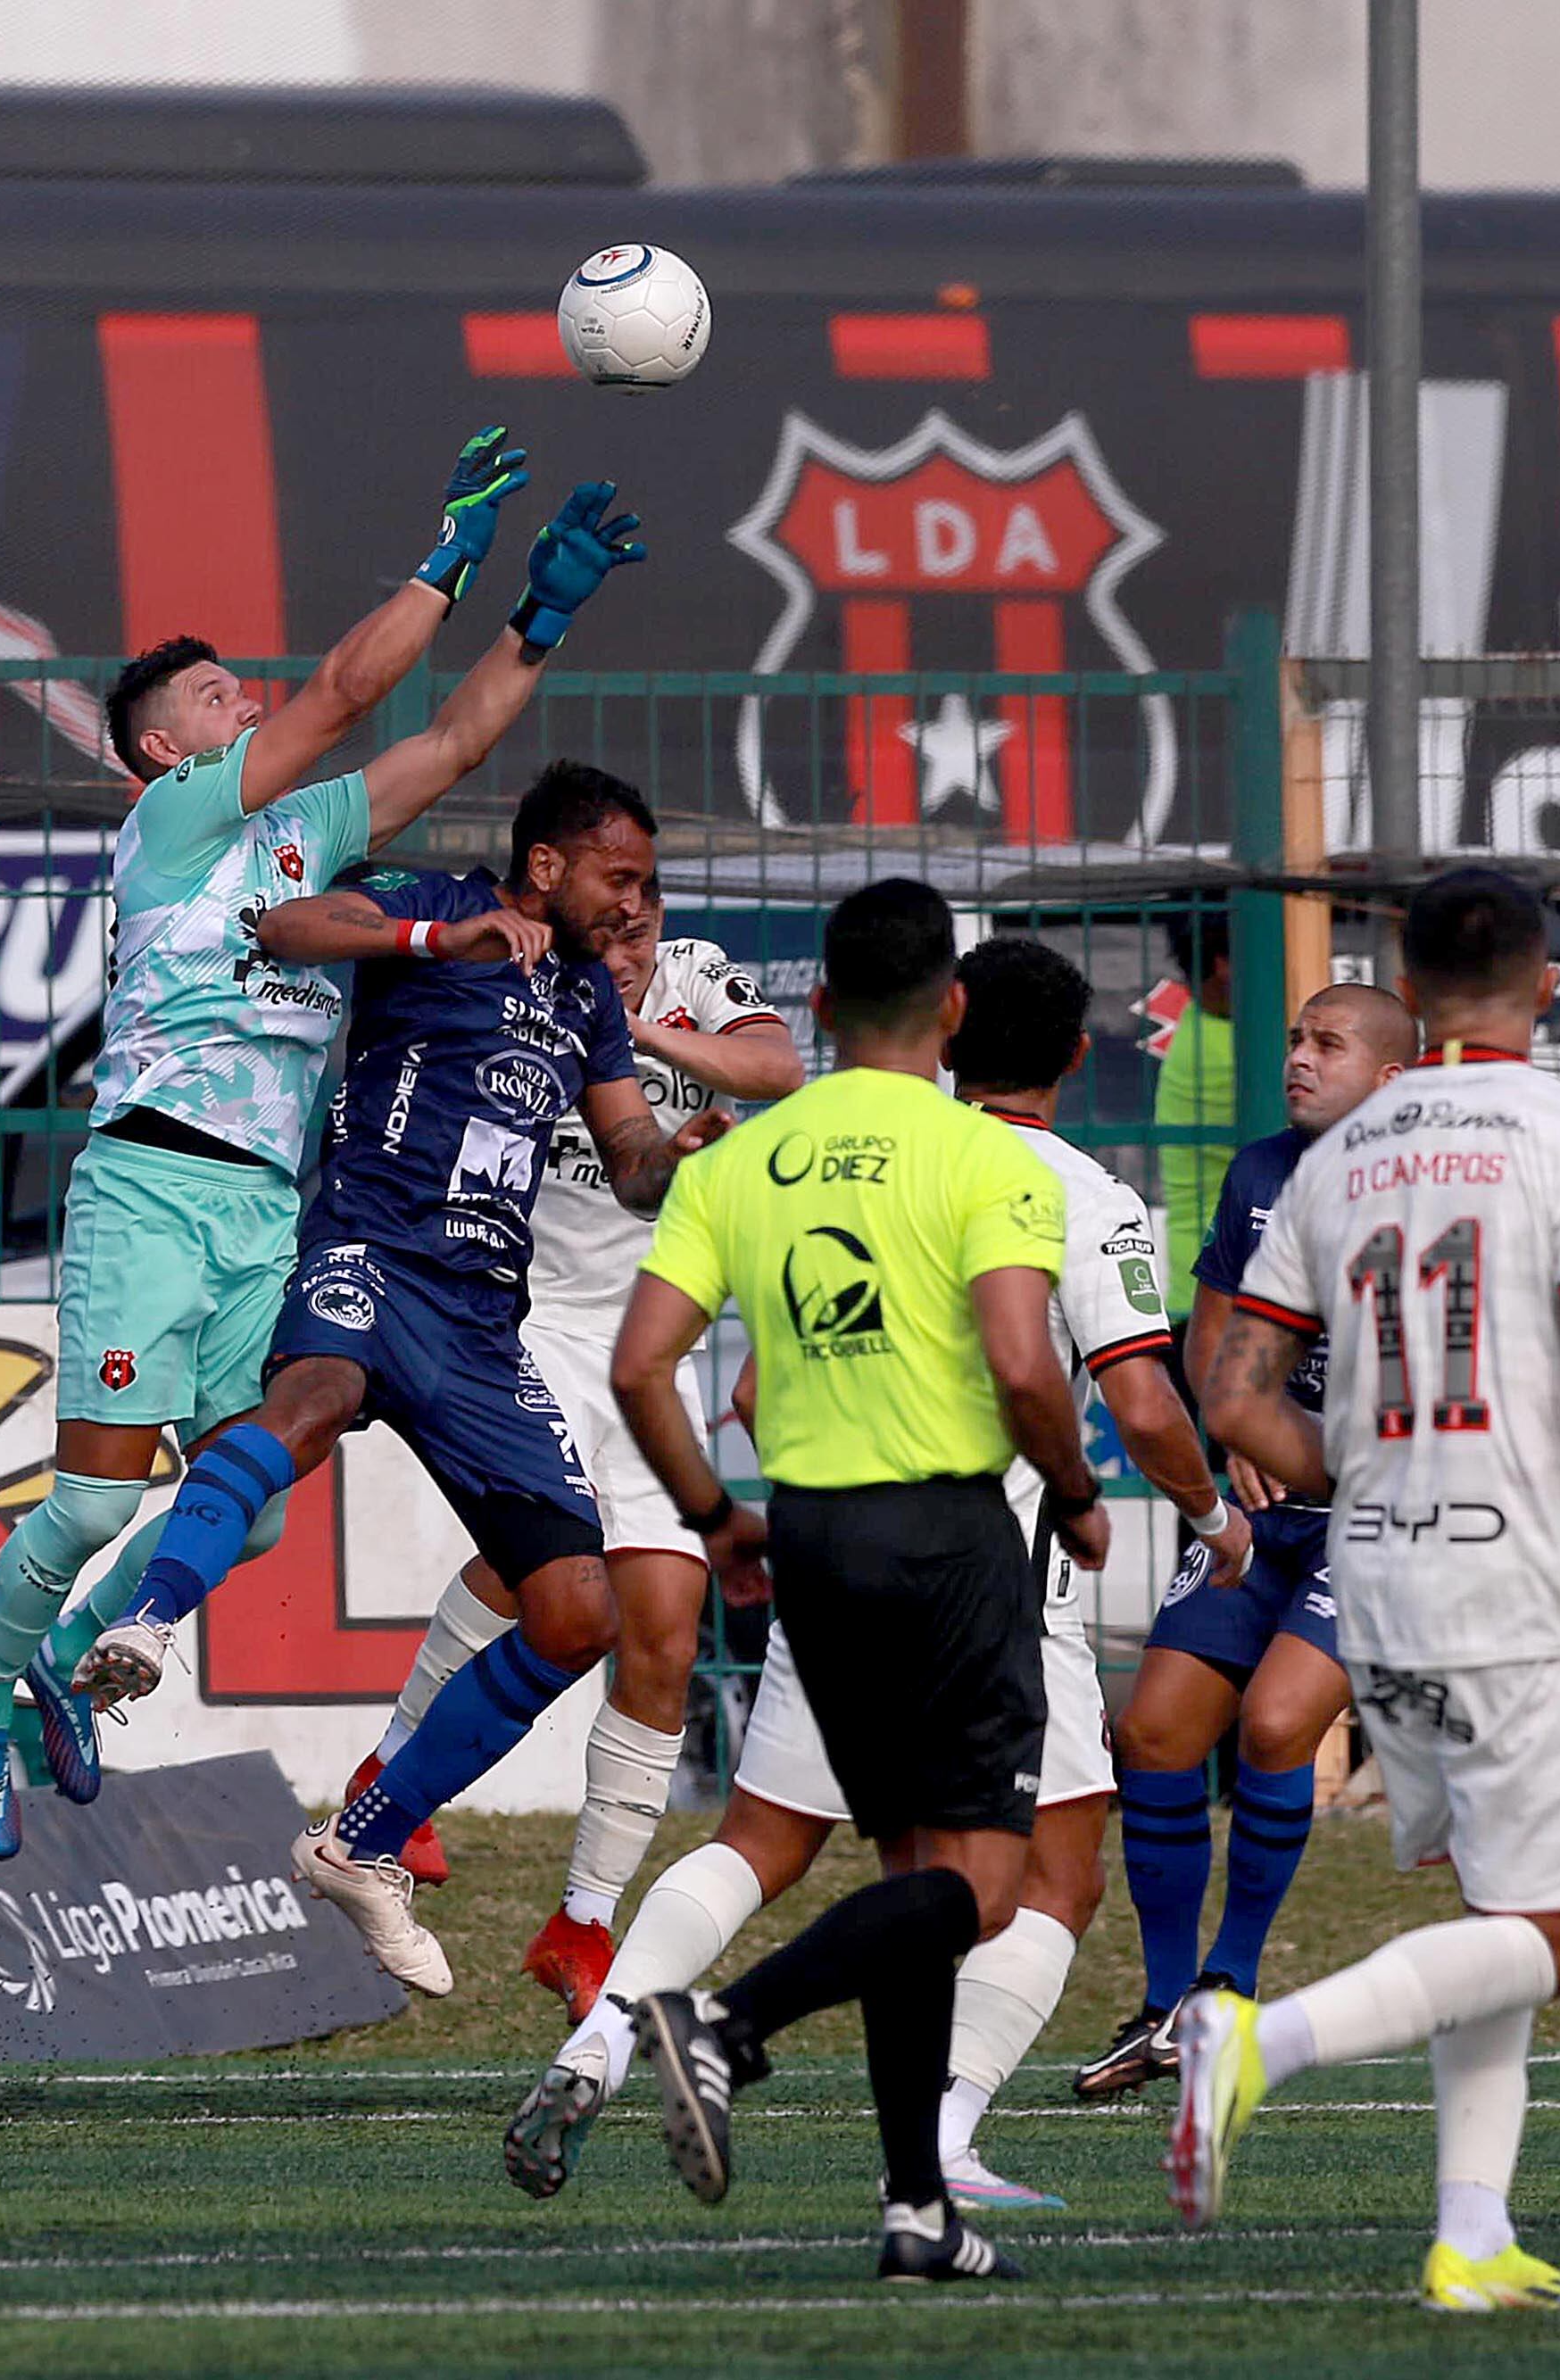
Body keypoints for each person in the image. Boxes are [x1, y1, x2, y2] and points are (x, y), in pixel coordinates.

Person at [0, 439, 651, 1859]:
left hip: (267, 1207)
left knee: (246, 1515)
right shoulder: (176, 819)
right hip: (152, 1172)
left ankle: (79, 1655)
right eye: (213, 698)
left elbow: (451, 743)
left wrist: (538, 617)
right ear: (159, 749)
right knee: (88, 1496)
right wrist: (448, 554)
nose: (242, 702)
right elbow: (347, 691)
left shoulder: (302, 838)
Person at [503, 933, 1249, 2223]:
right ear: (1076, 1054)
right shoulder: (1061, 1187)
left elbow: (730, 1384)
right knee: (1031, 1878)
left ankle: (600, 2050)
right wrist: (1195, 1509)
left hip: (818, 1545)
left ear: (946, 1029)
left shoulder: (799, 1157)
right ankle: (905, 2120)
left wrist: (721, 1515)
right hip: (989, 1584)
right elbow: (1126, 1389)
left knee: (762, 1840)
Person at [1182, 867, 1560, 2312]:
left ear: (1409, 986)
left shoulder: (1334, 1157)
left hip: (1376, 1573)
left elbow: (1236, 1392)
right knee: (1559, 1938)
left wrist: (1354, 1471)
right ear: (1546, 982)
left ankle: (1471, 2235)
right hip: (1509, 1575)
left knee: (1500, 1898)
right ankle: (1257, 2040)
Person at [69, 763, 724, 1993]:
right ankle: (150, 1621)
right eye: (619, 875)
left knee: (579, 1606)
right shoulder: (433, 904)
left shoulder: (586, 994)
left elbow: (627, 1146)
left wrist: (676, 1157)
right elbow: (281, 922)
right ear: (546, 866)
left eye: (647, 881)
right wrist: (438, 930)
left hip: (482, 1319)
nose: (638, 902)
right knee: (306, 1402)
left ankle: (361, 1842)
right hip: (373, 1244)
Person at [593, 878, 1102, 2286]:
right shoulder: (987, 1158)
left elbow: (644, 1365)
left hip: (809, 1540)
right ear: (950, 1009)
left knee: (907, 1873)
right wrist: (1071, 1488)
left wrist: (714, 1515)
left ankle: (917, 2209)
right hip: (950, 1539)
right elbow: (1020, 1361)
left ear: (813, 1008)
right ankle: (723, 2028)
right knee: (987, 1885)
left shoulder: (738, 1161)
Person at [349, 889, 798, 2002]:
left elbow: (778, 1067)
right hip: (524, 1320)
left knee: (663, 1630)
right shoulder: (511, 985)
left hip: (649, 1344)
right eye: (605, 943)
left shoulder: (689, 973)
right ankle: (389, 1779)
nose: (627, 954)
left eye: (637, 935)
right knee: (536, 1565)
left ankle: (581, 1923)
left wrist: (627, 1027)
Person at [1077, 980, 1417, 2102]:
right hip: (1265, 1504)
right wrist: (1233, 1439)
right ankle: (1166, 2002)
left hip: (1372, 1509)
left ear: (1393, 1077)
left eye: (1328, 1043)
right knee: (1156, 1731)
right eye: (1295, 1038)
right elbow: (1213, 1328)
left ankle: (1231, 1986)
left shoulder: (1422, 1188)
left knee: (1276, 1723)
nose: (1299, 1059)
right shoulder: (1259, 1172)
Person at [1155, 912, 1240, 1284]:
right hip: (1224, 1293)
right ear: (1225, 966)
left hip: (1200, 1285)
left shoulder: (1200, 1024)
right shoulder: (1231, 1052)